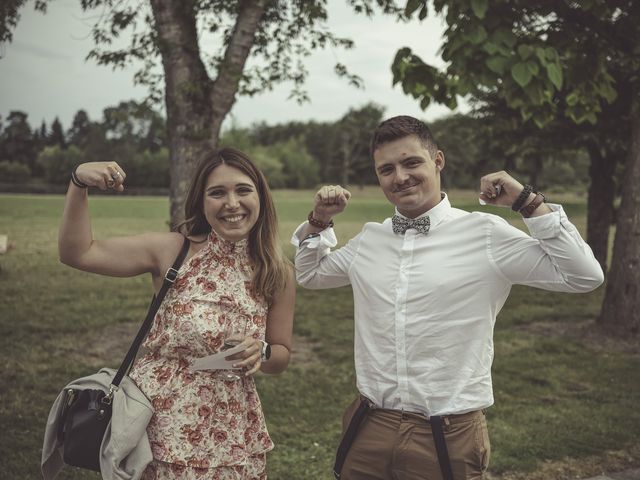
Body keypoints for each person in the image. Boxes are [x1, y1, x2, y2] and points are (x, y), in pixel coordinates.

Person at [291, 115, 604, 480]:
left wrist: (526, 201)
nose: (400, 177)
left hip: (448, 433)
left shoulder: (485, 234)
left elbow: (583, 276)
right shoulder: (370, 240)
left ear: (438, 160)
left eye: (411, 162)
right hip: (369, 426)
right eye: (386, 169)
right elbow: (310, 274)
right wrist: (319, 219)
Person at [58, 147, 295, 479]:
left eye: (243, 190)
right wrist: (78, 182)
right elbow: (78, 252)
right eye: (217, 193)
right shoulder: (173, 250)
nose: (231, 203)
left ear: (260, 197)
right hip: (160, 425)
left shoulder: (276, 271)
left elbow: (281, 354)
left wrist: (263, 351)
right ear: (201, 201)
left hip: (234, 430)